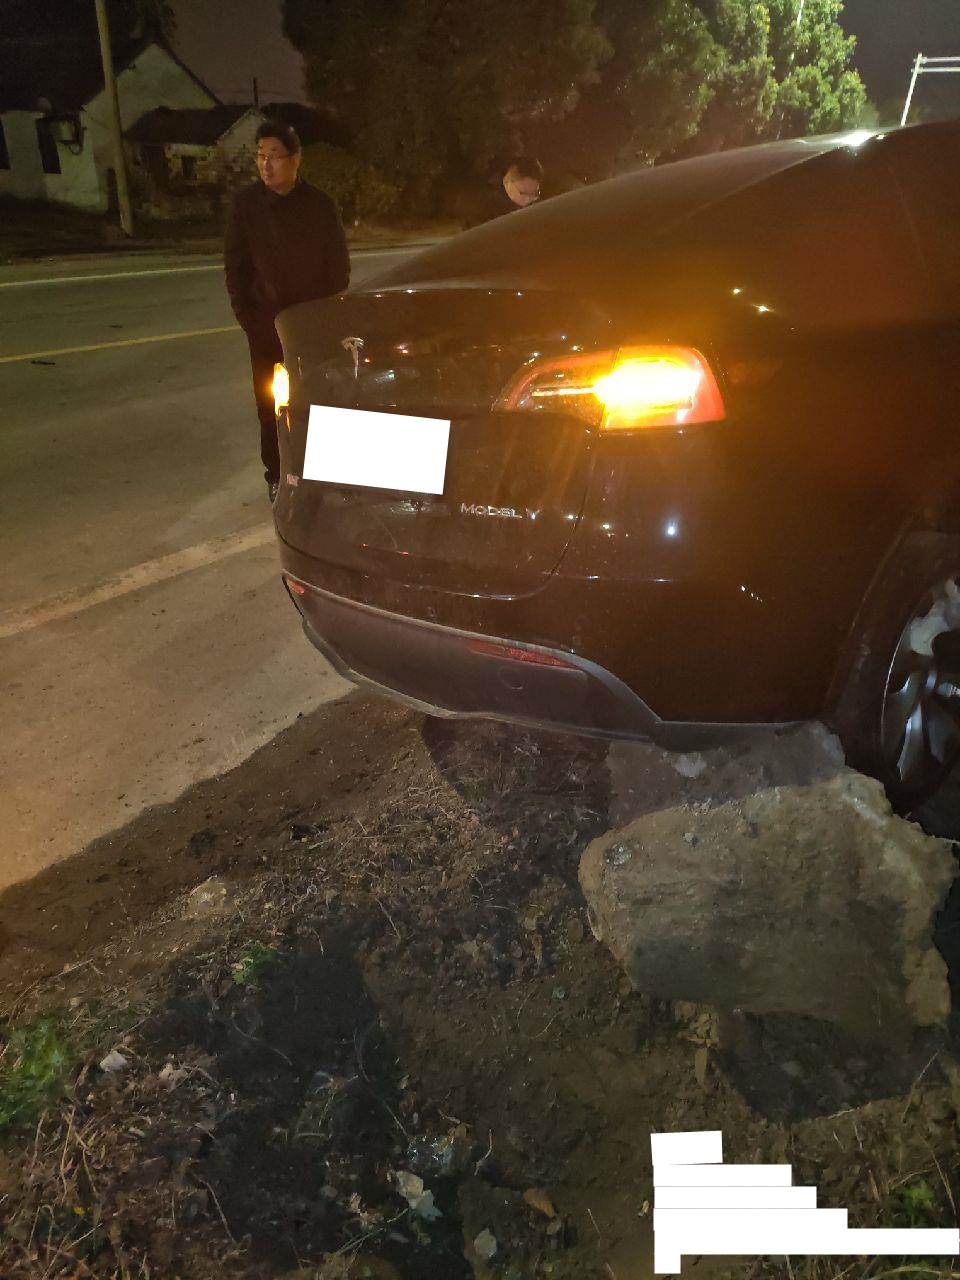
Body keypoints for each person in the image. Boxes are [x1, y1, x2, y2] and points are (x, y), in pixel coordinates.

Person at [224, 120, 350, 501]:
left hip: (311, 328)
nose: (266, 164)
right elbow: (236, 269)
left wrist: (322, 319)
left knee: (316, 400)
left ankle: (319, 477)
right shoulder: (246, 206)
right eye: (261, 156)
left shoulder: (320, 206)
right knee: (271, 405)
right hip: (266, 328)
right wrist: (250, 320)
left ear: (295, 160)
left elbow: (337, 269)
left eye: (275, 156)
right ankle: (277, 474)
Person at [473, 157, 543, 225]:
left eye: (535, 193)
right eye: (523, 193)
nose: (529, 200)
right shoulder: (488, 211)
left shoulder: (537, 206)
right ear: (507, 183)